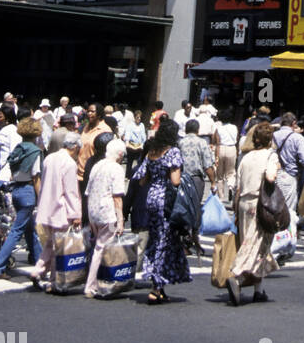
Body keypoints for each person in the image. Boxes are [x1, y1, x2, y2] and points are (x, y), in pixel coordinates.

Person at [131, 121, 191, 302]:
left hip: (151, 197)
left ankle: (161, 285)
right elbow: (175, 180)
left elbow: (141, 180)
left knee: (157, 238)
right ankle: (156, 286)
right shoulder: (172, 152)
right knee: (163, 242)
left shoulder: (152, 152)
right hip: (166, 200)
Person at [228, 129, 281, 306]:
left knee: (253, 243)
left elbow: (237, 186)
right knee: (255, 244)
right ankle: (238, 278)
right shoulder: (270, 156)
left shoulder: (246, 157)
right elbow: (271, 177)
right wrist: (276, 169)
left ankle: (258, 289)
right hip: (260, 203)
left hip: (244, 202)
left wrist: (235, 209)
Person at [30, 132, 82, 288]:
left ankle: (38, 270)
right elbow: (71, 191)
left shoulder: (49, 158)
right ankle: (53, 280)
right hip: (61, 209)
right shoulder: (70, 164)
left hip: (46, 206)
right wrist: (76, 214)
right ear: (75, 147)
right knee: (59, 246)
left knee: (50, 243)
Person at [0, 117, 42, 276]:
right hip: (28, 190)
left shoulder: (18, 148)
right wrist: (41, 197)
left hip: (16, 189)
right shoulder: (35, 151)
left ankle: (39, 259)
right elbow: (36, 177)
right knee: (16, 231)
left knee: (30, 229)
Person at [84, 138, 127, 298]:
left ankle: (97, 281)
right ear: (120, 154)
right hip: (107, 214)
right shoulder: (116, 169)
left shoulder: (97, 165)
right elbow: (117, 197)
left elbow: (88, 192)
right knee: (101, 248)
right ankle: (92, 284)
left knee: (97, 245)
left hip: (93, 211)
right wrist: (120, 220)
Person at [273, 113, 304, 212]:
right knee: (288, 211)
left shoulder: (273, 135)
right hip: (289, 175)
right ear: (294, 123)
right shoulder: (297, 138)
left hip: (273, 174)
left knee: (273, 207)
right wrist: (301, 164)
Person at [179, 119, 217, 203]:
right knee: (195, 207)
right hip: (196, 180)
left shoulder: (180, 142)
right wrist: (213, 182)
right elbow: (207, 165)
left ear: (186, 130)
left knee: (182, 206)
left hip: (181, 179)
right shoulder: (202, 142)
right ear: (197, 130)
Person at [77, 103, 111, 188]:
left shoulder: (105, 131)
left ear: (99, 114)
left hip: (92, 176)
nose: (89, 114)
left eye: (92, 111)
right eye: (88, 111)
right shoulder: (85, 127)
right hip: (78, 174)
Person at [213, 109, 239, 202]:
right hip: (232, 148)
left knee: (220, 175)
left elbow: (217, 142)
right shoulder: (234, 127)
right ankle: (231, 187)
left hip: (221, 148)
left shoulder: (219, 128)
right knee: (231, 172)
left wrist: (216, 156)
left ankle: (221, 197)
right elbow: (236, 138)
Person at [0, 106, 20, 189]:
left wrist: (12, 173)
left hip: (5, 173)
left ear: (7, 119)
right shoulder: (0, 130)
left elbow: (15, 151)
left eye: (0, 117)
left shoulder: (12, 131)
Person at [121, 108, 147, 178]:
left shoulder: (142, 125)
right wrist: (127, 143)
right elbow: (128, 134)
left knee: (139, 161)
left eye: (140, 117)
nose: (138, 119)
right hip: (131, 145)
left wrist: (142, 144)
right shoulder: (130, 125)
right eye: (137, 117)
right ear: (134, 117)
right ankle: (128, 175)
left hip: (139, 145)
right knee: (129, 162)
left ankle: (138, 175)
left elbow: (143, 136)